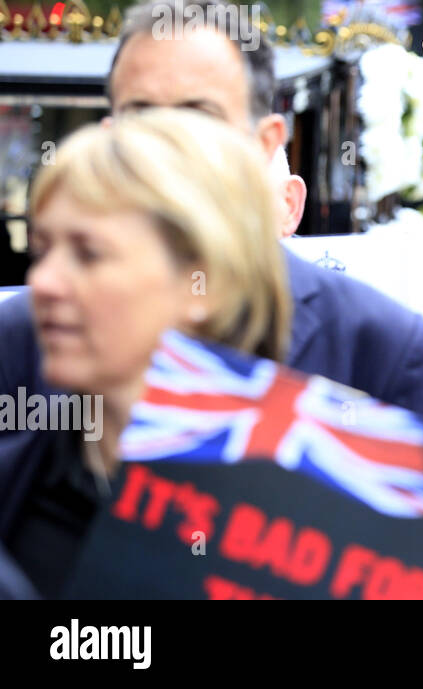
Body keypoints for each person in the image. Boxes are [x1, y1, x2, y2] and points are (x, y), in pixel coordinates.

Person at [0, 0, 423, 598]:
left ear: (265, 140)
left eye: (198, 118)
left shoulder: (372, 341)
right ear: (108, 131)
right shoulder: (29, 333)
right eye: (142, 116)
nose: (166, 149)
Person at [0, 110, 293, 597]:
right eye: (42, 249)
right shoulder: (18, 493)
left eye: (89, 253)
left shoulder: (325, 514)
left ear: (203, 280)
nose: (43, 282)